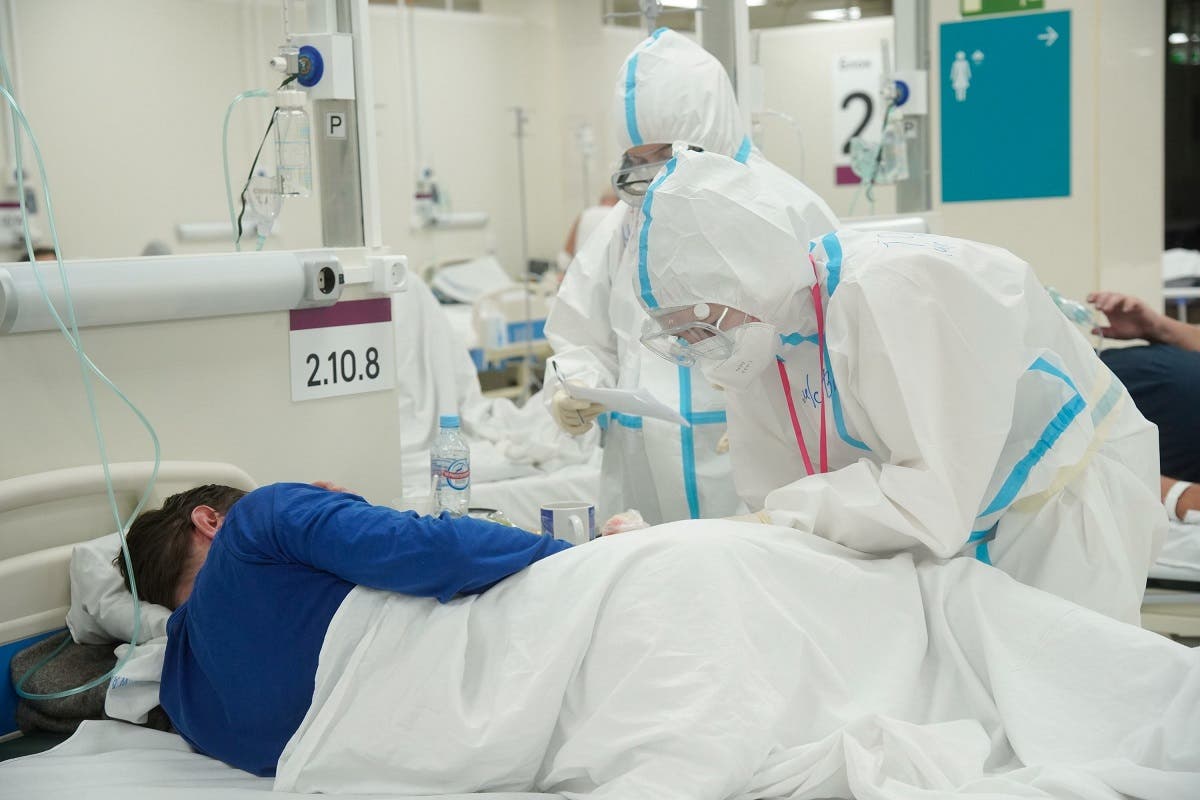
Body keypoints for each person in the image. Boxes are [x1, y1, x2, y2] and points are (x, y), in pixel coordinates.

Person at [633, 149, 1164, 623]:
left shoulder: (897, 292)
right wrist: (756, 526)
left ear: (748, 277)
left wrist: (781, 518)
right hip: (953, 517)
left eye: (703, 325)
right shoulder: (763, 331)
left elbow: (931, 498)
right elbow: (775, 489)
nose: (700, 348)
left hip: (1053, 499)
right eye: (680, 334)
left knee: (1053, 694)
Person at [546, 28, 838, 525]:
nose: (649, 175)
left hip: (751, 460)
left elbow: (833, 347)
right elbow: (584, 330)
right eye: (636, 161)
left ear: (707, 137)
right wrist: (579, 385)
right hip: (642, 463)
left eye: (662, 156)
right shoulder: (625, 222)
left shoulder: (786, 209)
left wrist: (780, 415)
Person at [114, 481, 572, 776]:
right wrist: (581, 554)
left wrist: (329, 521)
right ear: (209, 519)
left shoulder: (183, 699)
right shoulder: (258, 520)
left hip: (466, 755)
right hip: (534, 660)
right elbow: (443, 551)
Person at [1089, 290, 1200, 522]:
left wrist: (1172, 496)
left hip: (1110, 440)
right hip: (1107, 372)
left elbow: (1189, 500)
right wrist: (1158, 327)